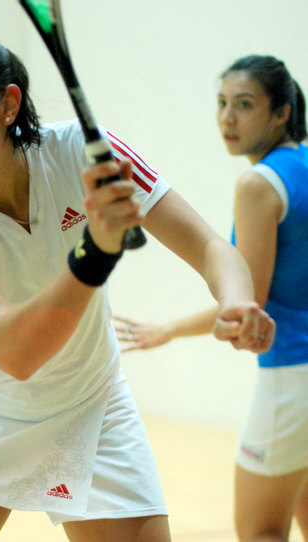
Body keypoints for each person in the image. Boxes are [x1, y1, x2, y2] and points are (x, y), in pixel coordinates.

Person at [0, 23, 275, 542]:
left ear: (7, 104)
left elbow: (210, 247)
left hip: (91, 408)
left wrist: (237, 301)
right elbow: (16, 351)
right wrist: (95, 251)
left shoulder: (83, 152)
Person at [115, 54, 308, 542]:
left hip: (293, 375)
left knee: (261, 530)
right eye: (222, 103)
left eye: (244, 105)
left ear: (282, 112)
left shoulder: (258, 184)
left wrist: (169, 329)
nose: (227, 117)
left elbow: (248, 302)